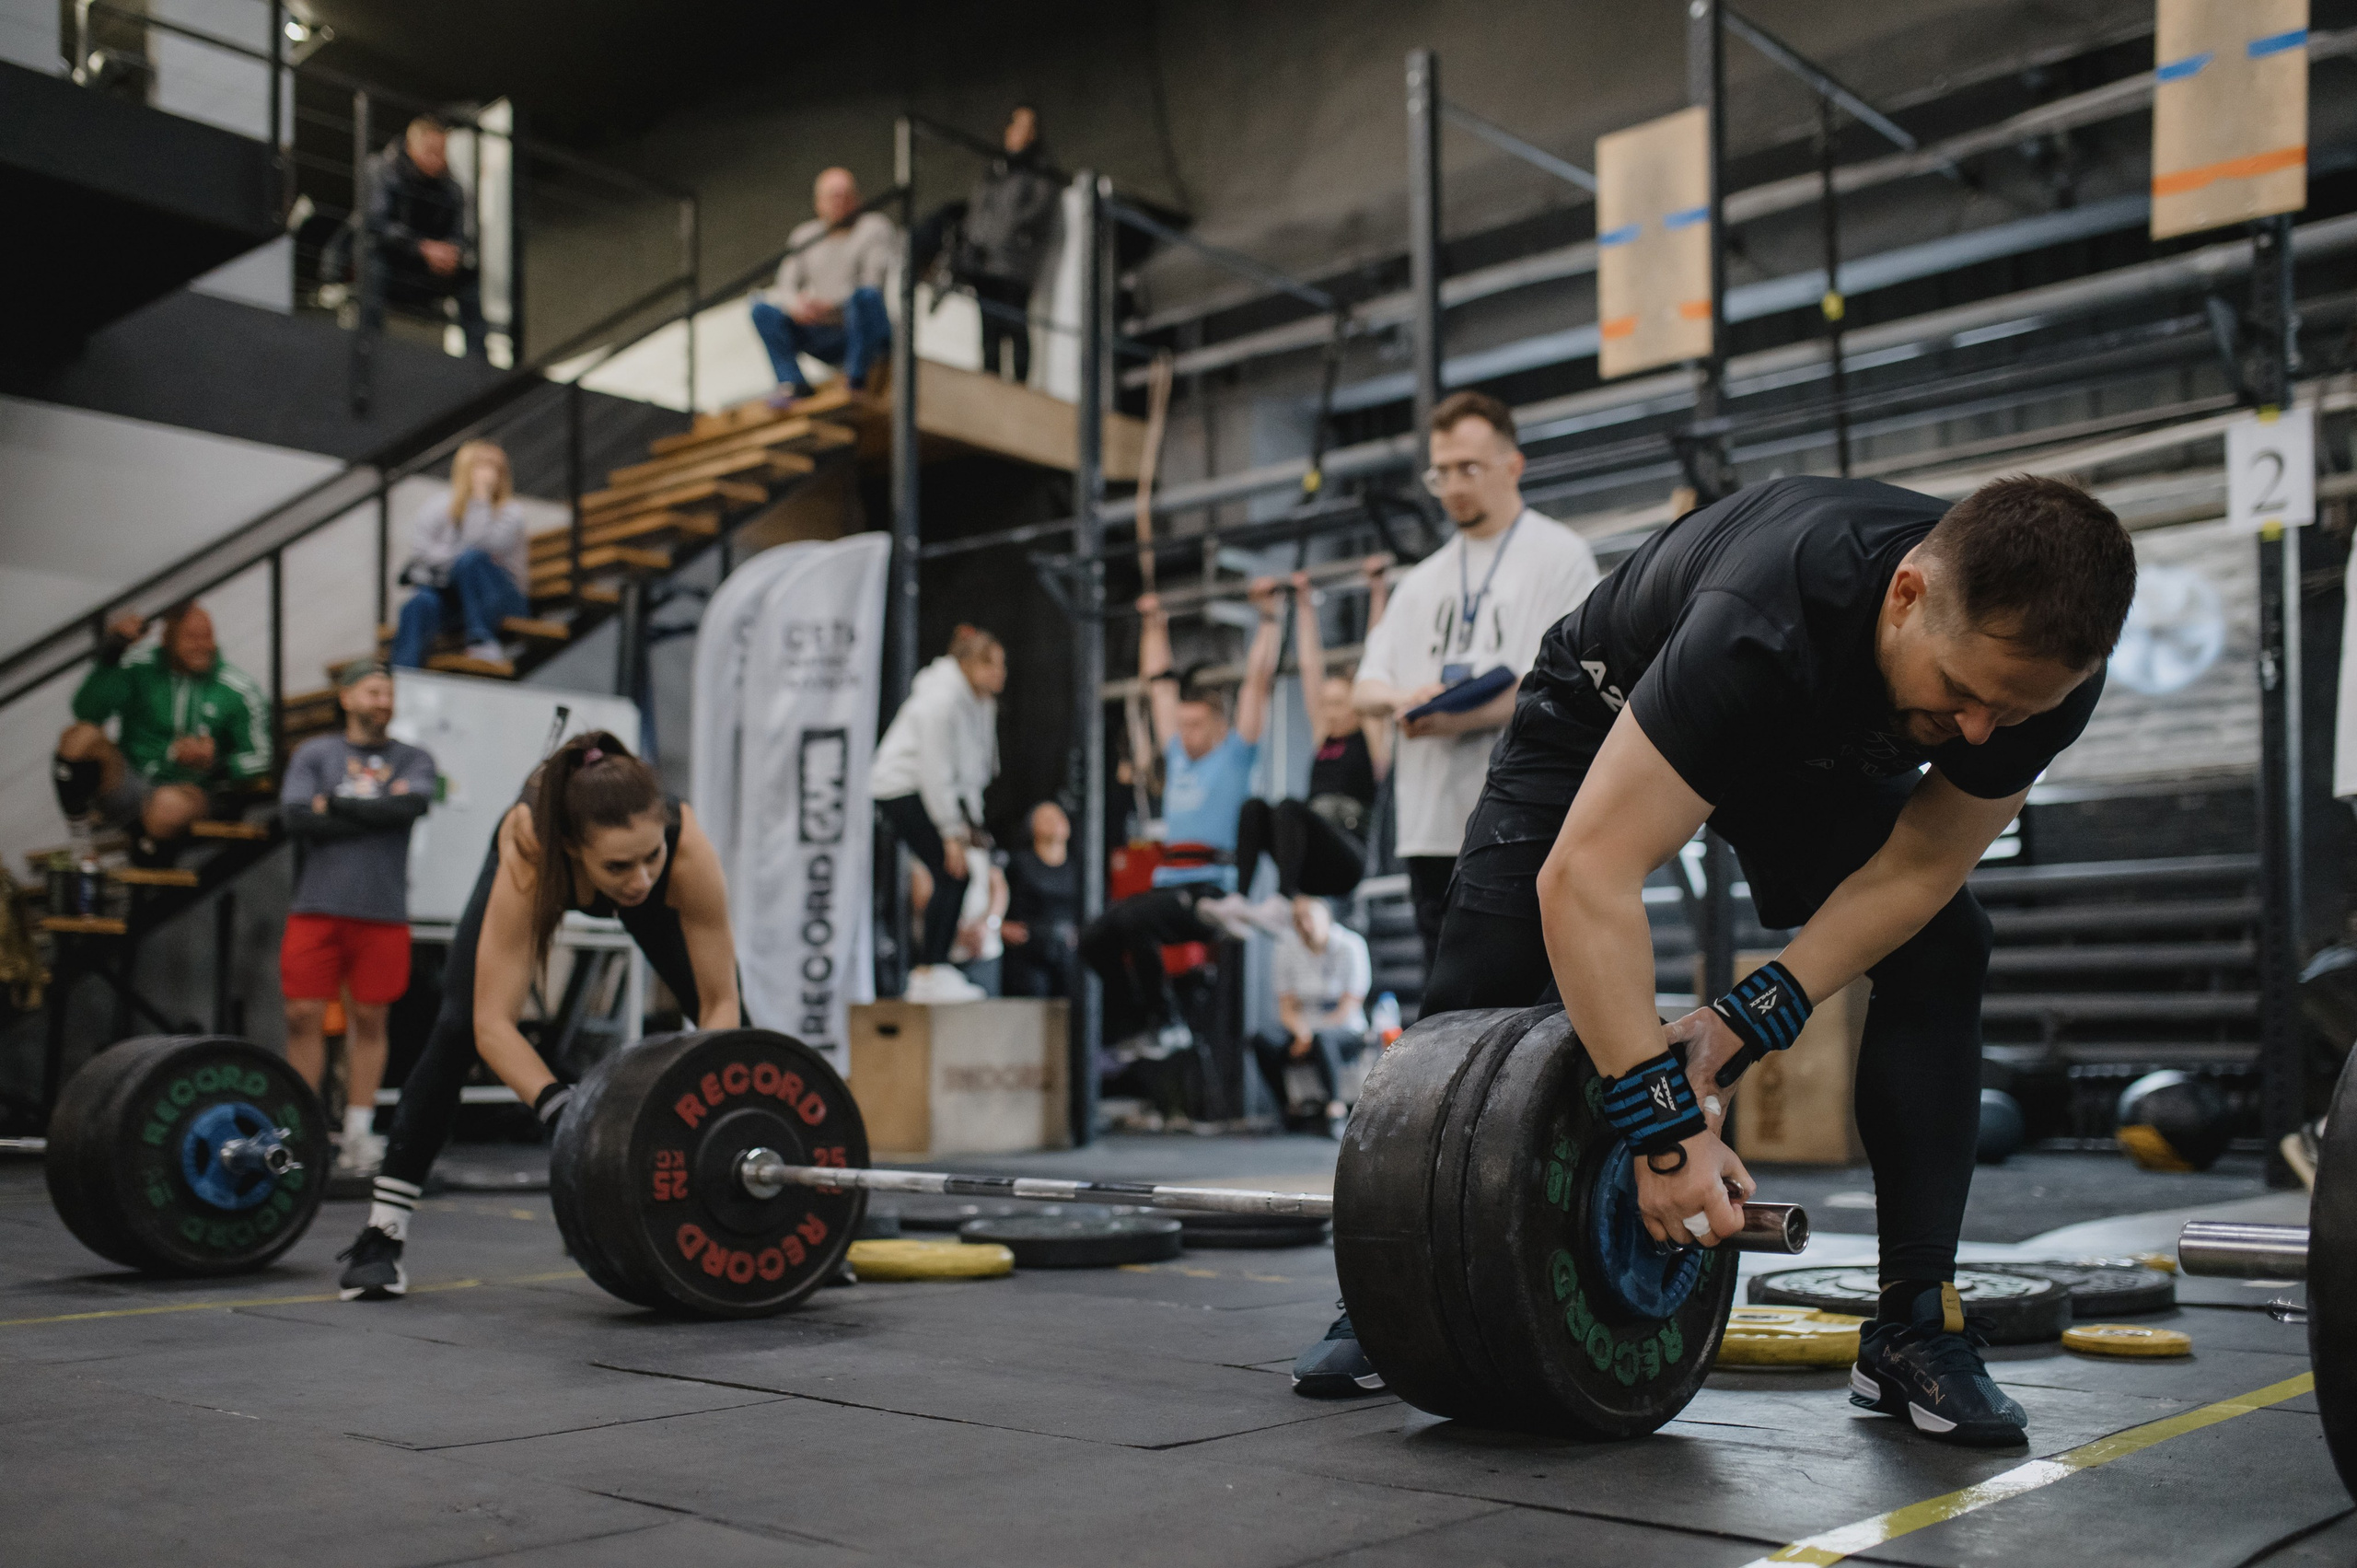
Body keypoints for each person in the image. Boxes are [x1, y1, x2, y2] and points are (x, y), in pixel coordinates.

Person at [1421, 472, 2137, 1446]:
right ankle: (1403, 1276)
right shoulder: (1766, 617)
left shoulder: (2039, 680)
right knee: (1483, 970)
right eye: (1964, 693)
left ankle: (1912, 1327)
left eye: (2007, 715)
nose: (1978, 733)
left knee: (1945, 946)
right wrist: (1665, 1135)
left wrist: (1743, 1020)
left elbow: (1919, 866)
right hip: (1613, 697)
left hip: (1813, 752)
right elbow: (1585, 878)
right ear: (1907, 594)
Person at [337, 731, 741, 1300]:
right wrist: (562, 1109)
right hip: (539, 870)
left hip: (629, 871)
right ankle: (382, 1234)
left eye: (652, 857)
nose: (643, 878)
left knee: (740, 1038)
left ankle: (771, 1227)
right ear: (575, 848)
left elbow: (721, 1004)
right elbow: (490, 1023)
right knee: (452, 1028)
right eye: (621, 864)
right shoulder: (530, 846)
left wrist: (704, 1106)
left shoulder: (682, 848)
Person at [1352, 391, 1600, 970]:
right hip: (1432, 833)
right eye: (1441, 473)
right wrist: (1404, 699)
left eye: (1469, 468)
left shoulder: (1560, 557)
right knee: (1442, 1019)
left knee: (1520, 1017)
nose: (1454, 485)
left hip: (1524, 826)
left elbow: (1566, 685)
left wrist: (1456, 717)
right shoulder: (1422, 581)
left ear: (1512, 465)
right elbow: (1366, 687)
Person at [1078, 580, 1282, 1053]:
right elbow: (1160, 688)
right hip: (1170, 887)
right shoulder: (1179, 759)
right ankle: (1158, 1020)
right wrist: (1154, 624)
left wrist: (1269, 620)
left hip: (1212, 887)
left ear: (1218, 723)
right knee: (1094, 939)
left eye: (1196, 725)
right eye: (1183, 724)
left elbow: (1257, 685)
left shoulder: (1235, 756)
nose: (1186, 733)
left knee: (1135, 920)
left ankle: (1167, 1014)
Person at [278, 661, 435, 1177]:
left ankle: (360, 1132)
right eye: (372, 693)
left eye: (388, 694)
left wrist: (338, 806)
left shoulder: (413, 758)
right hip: (317, 908)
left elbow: (409, 808)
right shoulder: (315, 754)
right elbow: (296, 818)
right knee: (302, 1015)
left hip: (382, 912)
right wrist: (371, 809)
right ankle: (303, 1129)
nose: (382, 703)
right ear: (347, 698)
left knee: (371, 1020)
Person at [1232, 563, 1393, 926]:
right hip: (1309, 856)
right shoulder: (1324, 736)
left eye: (1339, 704)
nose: (1330, 712)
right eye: (1326, 704)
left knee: (1289, 805)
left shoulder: (1372, 740)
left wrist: (1377, 591)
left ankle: (1282, 901)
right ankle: (1241, 901)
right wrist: (1304, 605)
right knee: (1254, 807)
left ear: (1356, 705)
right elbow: (1310, 668)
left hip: (1348, 859)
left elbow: (1375, 656)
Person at [52, 602, 271, 861]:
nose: (203, 645)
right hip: (132, 781)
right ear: (167, 638)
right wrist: (111, 656)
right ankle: (80, 841)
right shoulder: (137, 667)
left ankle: (150, 862)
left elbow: (265, 755)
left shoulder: (238, 689)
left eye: (207, 636)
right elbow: (86, 711)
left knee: (166, 804)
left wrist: (218, 764)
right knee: (79, 737)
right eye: (191, 637)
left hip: (193, 792)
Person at [872, 626, 1004, 1004]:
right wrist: (950, 832)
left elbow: (969, 773)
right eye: (989, 664)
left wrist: (969, 826)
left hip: (932, 793)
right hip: (901, 788)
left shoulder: (975, 705)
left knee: (956, 875)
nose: (999, 673)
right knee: (951, 870)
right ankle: (929, 970)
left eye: (1001, 665)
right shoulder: (941, 700)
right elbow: (935, 768)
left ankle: (935, 968)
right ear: (966, 663)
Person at [751, 167, 899, 407]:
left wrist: (832, 306)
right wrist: (798, 306)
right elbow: (785, 285)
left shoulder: (874, 227)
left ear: (858, 199)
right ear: (819, 203)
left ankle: (856, 377)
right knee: (761, 310)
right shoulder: (804, 236)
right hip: (825, 331)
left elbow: (873, 284)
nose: (840, 202)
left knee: (865, 298)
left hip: (868, 331)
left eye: (846, 195)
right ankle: (793, 384)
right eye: (833, 196)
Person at [391, 438, 530, 673]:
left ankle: (481, 639)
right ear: (466, 469)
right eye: (482, 466)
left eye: (496, 468)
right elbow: (420, 553)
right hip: (458, 599)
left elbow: (480, 546)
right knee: (418, 604)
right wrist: (454, 561)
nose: (490, 474)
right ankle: (401, 678)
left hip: (503, 598)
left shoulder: (511, 512)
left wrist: (479, 499)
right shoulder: (437, 506)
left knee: (472, 560)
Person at [363, 115, 487, 359]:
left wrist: (453, 253)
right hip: (394, 263)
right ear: (411, 148)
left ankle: (478, 363)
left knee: (470, 275)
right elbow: (376, 224)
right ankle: (370, 348)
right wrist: (422, 247)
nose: (437, 158)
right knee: (373, 264)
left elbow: (463, 235)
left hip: (428, 271)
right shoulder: (380, 170)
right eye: (430, 150)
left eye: (441, 151)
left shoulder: (452, 188)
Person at [1248, 897, 1371, 1139]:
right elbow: (1286, 1006)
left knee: (1324, 1040)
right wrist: (1301, 1032)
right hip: (1302, 1029)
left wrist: (1312, 1034)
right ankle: (1289, 1109)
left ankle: (1334, 1110)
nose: (1303, 925)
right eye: (1296, 919)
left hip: (1344, 1029)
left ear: (1326, 917)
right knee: (1261, 1039)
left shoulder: (1351, 946)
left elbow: (1348, 1006)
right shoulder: (1286, 948)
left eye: (1308, 917)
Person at [958, 106, 1062, 384]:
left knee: (1015, 323)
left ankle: (1019, 385)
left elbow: (1036, 212)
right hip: (984, 261)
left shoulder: (1039, 172)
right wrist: (973, 243)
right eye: (1014, 125)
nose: (1015, 132)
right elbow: (978, 211)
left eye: (1024, 126)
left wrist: (1005, 237)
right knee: (988, 328)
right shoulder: (995, 170)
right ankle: (990, 382)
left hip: (1014, 264)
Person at [1002, 801, 1081, 1000]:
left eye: (1059, 817)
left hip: (1068, 953)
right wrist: (1000, 927)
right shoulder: (1017, 864)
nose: (1055, 823)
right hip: (1028, 952)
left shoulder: (1081, 868)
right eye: (1046, 819)